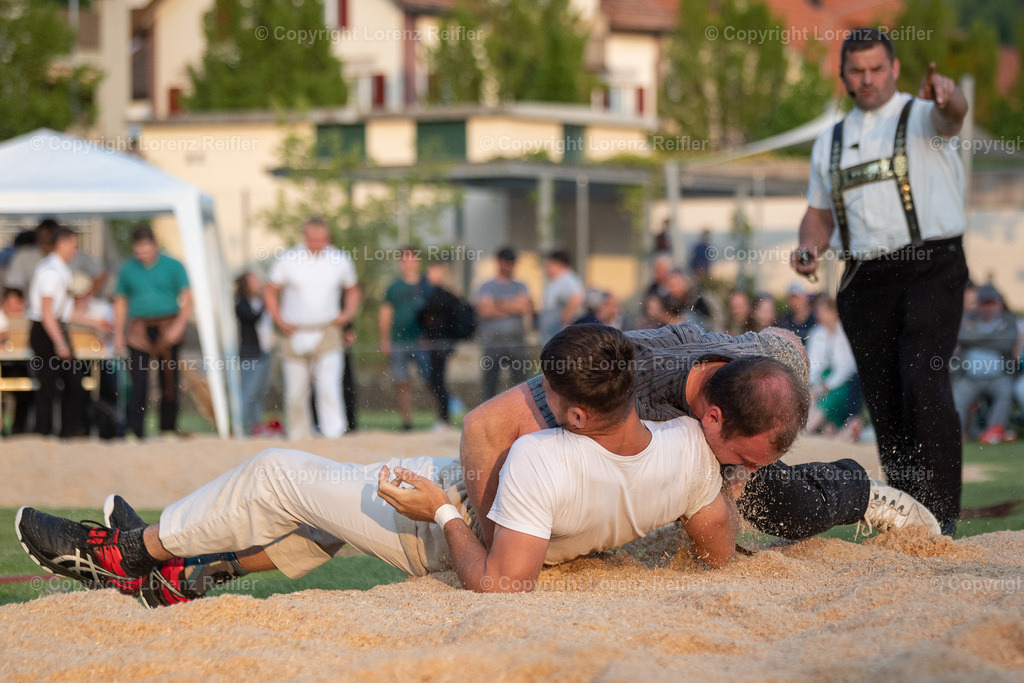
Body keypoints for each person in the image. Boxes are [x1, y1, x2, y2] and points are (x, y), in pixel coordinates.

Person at [17, 325, 740, 606]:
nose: (537, 402)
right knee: (325, 505)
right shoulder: (686, 448)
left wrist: (444, 511)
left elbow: (502, 584)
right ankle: (190, 575)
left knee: (275, 472)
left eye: (547, 395)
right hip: (469, 507)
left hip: (436, 530)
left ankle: (123, 553)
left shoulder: (542, 455)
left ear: (578, 414)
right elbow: (718, 547)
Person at [460, 321, 940, 550]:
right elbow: (482, 426)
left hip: (727, 418)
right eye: (745, 459)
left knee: (790, 508)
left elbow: (789, 341)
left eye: (754, 462)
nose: (749, 470)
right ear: (711, 418)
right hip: (656, 425)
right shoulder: (624, 383)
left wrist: (737, 476)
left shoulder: (766, 363)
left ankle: (861, 492)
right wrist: (493, 541)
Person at [792, 28, 970, 536]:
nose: (867, 79)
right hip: (864, 279)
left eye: (876, 69)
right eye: (857, 71)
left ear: (894, 69)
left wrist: (950, 96)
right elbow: (819, 214)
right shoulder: (829, 141)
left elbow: (953, 115)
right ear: (844, 75)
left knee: (922, 375)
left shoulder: (923, 115)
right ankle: (910, 518)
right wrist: (809, 248)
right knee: (885, 398)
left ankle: (941, 520)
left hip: (930, 265)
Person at [265, 218, 359, 439]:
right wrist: (279, 319)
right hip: (294, 332)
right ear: (305, 237)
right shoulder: (288, 259)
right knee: (296, 392)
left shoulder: (339, 259)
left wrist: (347, 314)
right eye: (313, 239)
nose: (318, 243)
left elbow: (352, 290)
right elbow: (270, 291)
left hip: (327, 330)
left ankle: (333, 434)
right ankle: (299, 436)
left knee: (329, 386)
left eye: (322, 239)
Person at [27, 227, 108, 437]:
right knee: (55, 385)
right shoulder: (51, 272)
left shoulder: (59, 269)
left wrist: (96, 323)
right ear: (62, 243)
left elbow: (65, 311)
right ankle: (47, 433)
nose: (76, 250)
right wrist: (60, 343)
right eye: (74, 245)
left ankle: (61, 432)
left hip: (53, 328)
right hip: (47, 331)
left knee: (66, 384)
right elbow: (47, 312)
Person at [113, 225, 193, 439]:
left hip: (168, 326)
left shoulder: (174, 266)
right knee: (137, 382)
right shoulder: (128, 269)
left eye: (146, 249)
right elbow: (120, 301)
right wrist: (118, 334)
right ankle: (135, 431)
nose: (143, 254)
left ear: (155, 245)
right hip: (139, 329)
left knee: (169, 381)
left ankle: (167, 430)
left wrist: (179, 326)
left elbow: (188, 298)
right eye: (138, 250)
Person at [952, 284, 1018, 445]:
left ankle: (993, 431)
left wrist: (975, 338)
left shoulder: (1008, 320)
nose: (987, 307)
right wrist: (993, 337)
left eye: (991, 303)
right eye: (984, 303)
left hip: (998, 376)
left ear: (999, 303)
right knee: (957, 396)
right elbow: (962, 337)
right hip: (970, 377)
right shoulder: (969, 318)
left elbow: (1007, 344)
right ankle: (957, 432)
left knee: (1005, 393)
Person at [379, 247, 432, 431]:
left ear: (418, 261)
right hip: (399, 341)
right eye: (405, 260)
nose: (408, 263)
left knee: (430, 380)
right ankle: (407, 422)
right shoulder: (394, 287)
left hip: (423, 342)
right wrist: (384, 339)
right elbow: (385, 313)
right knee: (401, 382)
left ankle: (440, 419)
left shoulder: (427, 285)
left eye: (411, 259)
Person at [475, 247, 533, 400]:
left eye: (512, 262)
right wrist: (512, 305)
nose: (510, 266)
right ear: (499, 262)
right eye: (507, 262)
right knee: (490, 386)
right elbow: (485, 310)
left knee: (521, 387)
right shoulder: (486, 286)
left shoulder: (521, 285)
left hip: (516, 342)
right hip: (492, 342)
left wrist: (496, 304)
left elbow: (524, 306)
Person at [806, 297, 863, 438]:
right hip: (823, 378)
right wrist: (815, 385)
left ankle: (814, 426)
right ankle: (825, 426)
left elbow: (846, 367)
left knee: (833, 397)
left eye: (823, 312)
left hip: (843, 381)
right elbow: (813, 363)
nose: (819, 315)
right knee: (811, 396)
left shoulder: (846, 332)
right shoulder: (816, 333)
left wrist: (827, 385)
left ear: (833, 312)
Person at [417, 259, 460, 429]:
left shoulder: (441, 296)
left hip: (440, 344)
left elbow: (426, 316)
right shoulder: (443, 295)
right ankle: (443, 418)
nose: (429, 275)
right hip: (440, 343)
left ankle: (444, 419)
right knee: (436, 380)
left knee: (438, 380)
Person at [235, 271, 273, 435]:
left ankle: (255, 425)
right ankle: (243, 427)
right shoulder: (240, 303)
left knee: (259, 392)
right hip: (250, 353)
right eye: (254, 280)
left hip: (264, 351)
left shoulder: (257, 301)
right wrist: (266, 301)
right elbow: (252, 317)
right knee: (248, 391)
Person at [0, 288, 32, 434]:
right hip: (5, 365)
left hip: (21, 364)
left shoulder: (28, 319)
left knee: (26, 392)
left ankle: (19, 430)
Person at [538, 250, 584, 344]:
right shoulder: (558, 280)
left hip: (559, 338)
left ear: (558, 264)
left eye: (549, 264)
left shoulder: (567, 279)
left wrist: (562, 321)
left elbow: (577, 299)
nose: (546, 268)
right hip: (552, 336)